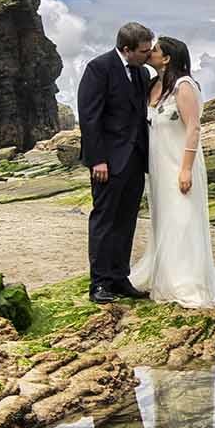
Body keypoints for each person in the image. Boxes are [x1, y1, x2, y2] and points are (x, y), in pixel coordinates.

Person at [128, 36, 215, 308]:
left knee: (183, 220)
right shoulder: (154, 85)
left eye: (154, 50)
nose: (150, 53)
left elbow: (193, 128)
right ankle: (164, 276)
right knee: (164, 219)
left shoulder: (184, 86)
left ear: (167, 57)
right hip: (158, 166)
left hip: (179, 164)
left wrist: (186, 169)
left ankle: (186, 283)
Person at [78, 22, 154, 303]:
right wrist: (97, 159)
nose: (148, 55)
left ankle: (120, 279)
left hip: (135, 158)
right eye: (144, 51)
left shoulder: (143, 72)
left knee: (127, 220)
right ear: (127, 49)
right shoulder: (99, 68)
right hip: (107, 162)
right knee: (104, 220)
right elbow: (89, 117)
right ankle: (99, 283)